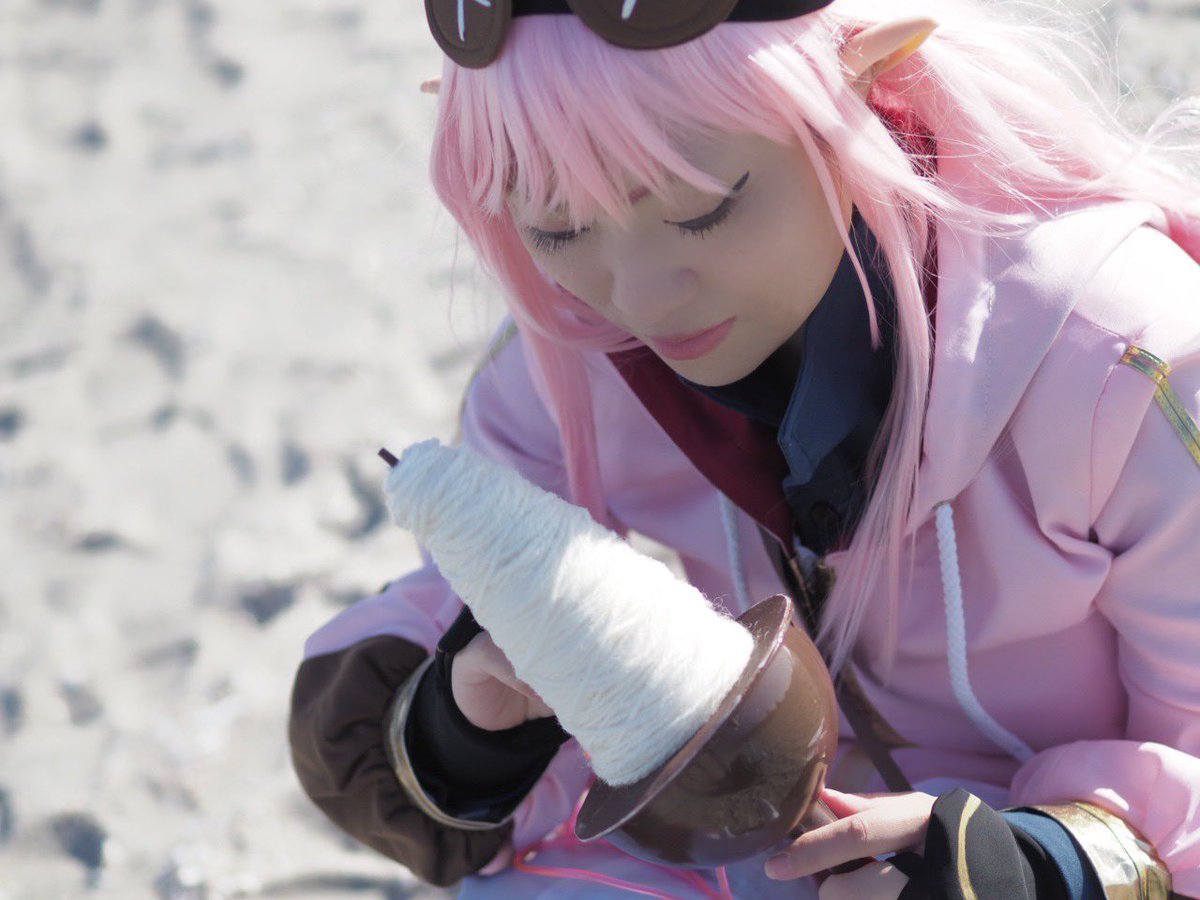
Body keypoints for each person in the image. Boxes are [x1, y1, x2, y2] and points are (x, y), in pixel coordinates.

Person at [288, 0, 1200, 896]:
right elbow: (444, 650)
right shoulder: (579, 365)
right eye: (558, 227)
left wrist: (1031, 864)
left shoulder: (1125, 365)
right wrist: (469, 726)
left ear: (859, 90)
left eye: (701, 207)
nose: (640, 295)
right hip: (756, 850)